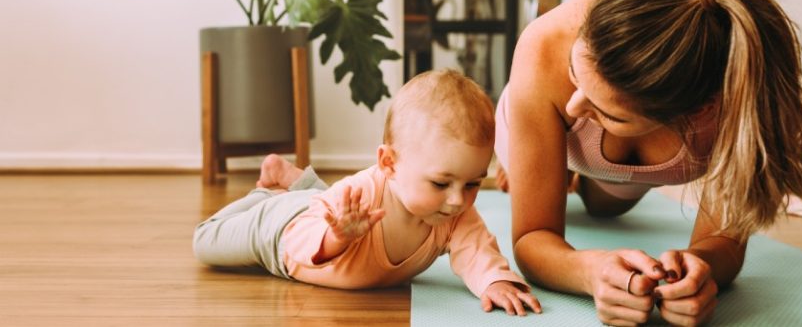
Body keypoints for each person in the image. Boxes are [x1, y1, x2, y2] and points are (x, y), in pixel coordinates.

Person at [493, 0, 802, 326]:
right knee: (542, 186)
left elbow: (723, 244)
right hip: (524, 123)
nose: (574, 107)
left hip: (626, 169)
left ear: (700, 112)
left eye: (610, 113)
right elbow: (533, 237)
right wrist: (590, 272)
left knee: (605, 209)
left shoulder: (736, 103)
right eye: (574, 76)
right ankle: (558, 172)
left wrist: (699, 270)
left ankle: (585, 180)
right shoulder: (544, 44)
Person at [193, 69, 541, 317]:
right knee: (205, 242)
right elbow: (300, 244)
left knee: (334, 207)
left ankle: (296, 181)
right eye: (440, 183)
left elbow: (477, 250)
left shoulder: (452, 211)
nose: (457, 199)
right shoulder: (361, 194)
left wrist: (495, 281)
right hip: (280, 231)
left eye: (473, 184)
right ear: (388, 163)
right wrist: (336, 238)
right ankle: (267, 196)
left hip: (331, 212)